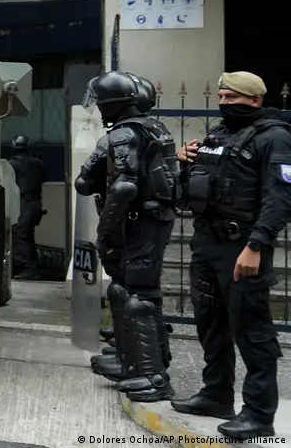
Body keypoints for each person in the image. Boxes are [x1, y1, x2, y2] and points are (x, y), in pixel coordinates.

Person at [171, 71, 290, 440]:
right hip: (207, 243)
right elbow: (204, 182)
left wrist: (256, 246)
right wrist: (184, 160)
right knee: (211, 324)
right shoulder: (219, 135)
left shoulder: (275, 138)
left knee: (252, 332)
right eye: (221, 96)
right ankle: (216, 394)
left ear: (254, 100)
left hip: (243, 247)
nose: (223, 102)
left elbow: (280, 198)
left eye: (232, 97)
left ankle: (257, 414)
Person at [76, 71, 179, 405]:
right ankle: (130, 362)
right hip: (149, 221)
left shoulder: (122, 135)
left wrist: (105, 231)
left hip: (137, 224)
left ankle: (153, 377)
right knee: (126, 291)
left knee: (138, 296)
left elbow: (114, 186)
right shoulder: (154, 128)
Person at [9, 135, 46, 280]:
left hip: (23, 204)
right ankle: (33, 268)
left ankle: (25, 268)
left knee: (20, 235)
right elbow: (45, 177)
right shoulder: (38, 163)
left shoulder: (13, 164)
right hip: (35, 204)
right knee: (28, 236)